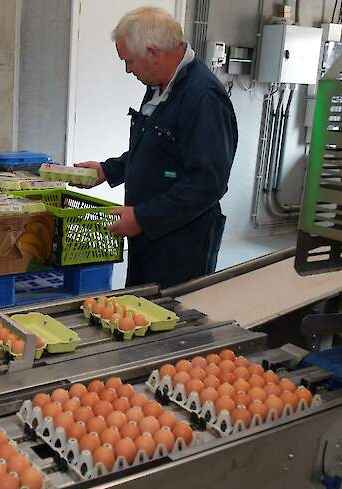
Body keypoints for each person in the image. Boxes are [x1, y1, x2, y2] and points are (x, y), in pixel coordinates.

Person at [76, 7, 237, 289]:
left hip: (182, 244)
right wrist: (107, 170)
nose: (128, 70)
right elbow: (154, 150)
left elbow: (207, 183)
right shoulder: (160, 86)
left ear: (153, 52)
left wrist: (142, 217)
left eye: (130, 61)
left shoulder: (203, 98)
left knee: (172, 319)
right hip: (149, 235)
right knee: (141, 311)